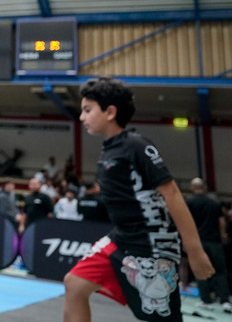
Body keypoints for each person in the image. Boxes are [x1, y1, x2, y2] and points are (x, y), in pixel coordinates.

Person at [64, 77, 214, 321]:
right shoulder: (108, 150)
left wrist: (195, 251)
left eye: (87, 110)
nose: (81, 117)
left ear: (110, 112)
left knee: (159, 316)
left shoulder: (136, 145)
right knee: (75, 283)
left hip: (151, 243)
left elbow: (172, 194)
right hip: (121, 237)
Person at [185, 178, 231, 312]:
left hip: (198, 243)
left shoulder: (189, 202)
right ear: (204, 188)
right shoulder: (214, 201)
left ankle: (206, 301)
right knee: (220, 271)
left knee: (200, 272)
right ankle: (225, 301)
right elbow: (221, 220)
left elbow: (186, 223)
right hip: (215, 241)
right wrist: (223, 236)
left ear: (192, 188)